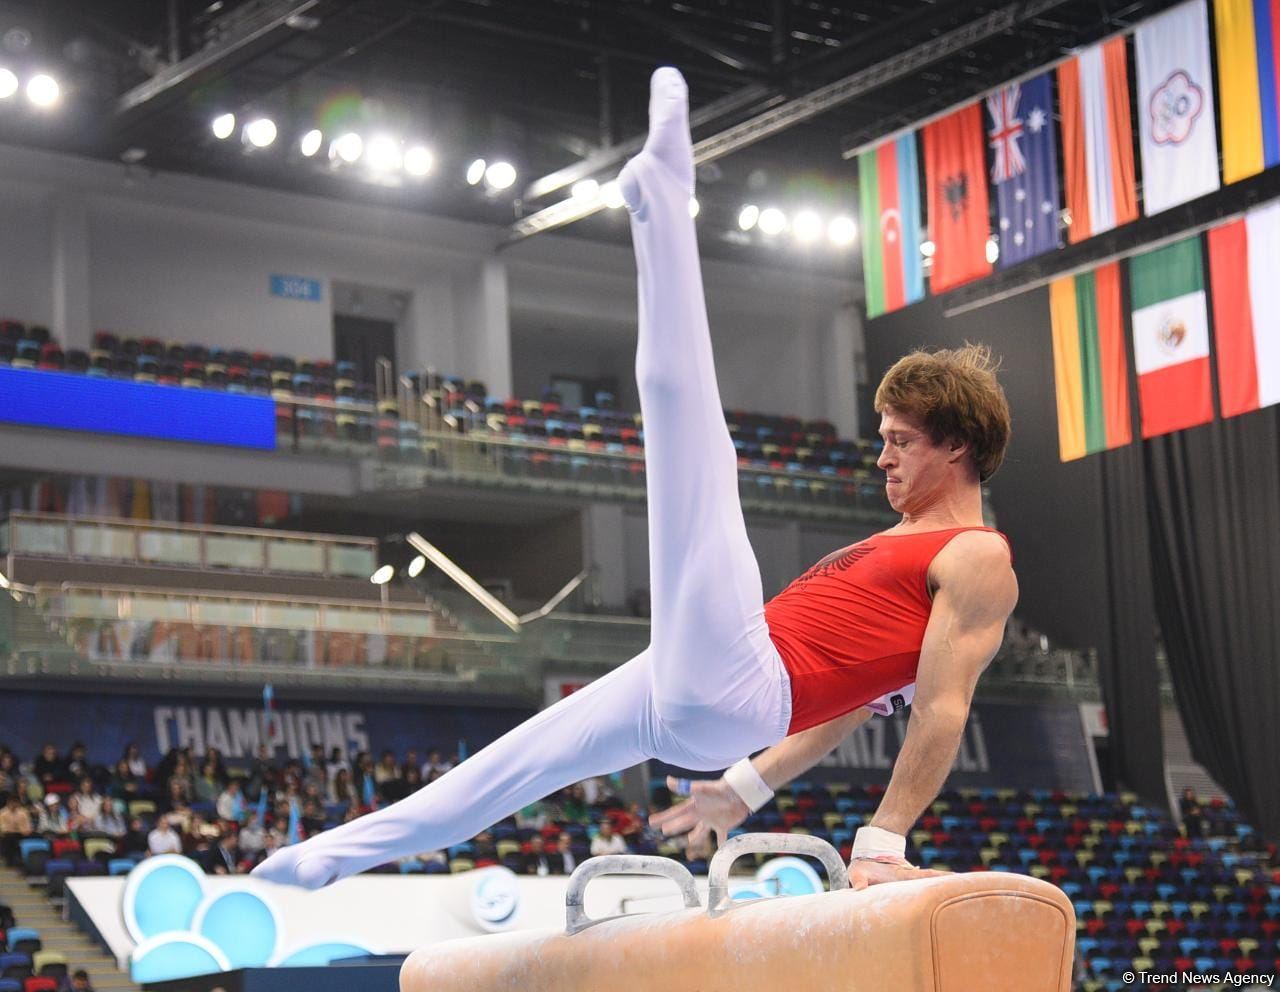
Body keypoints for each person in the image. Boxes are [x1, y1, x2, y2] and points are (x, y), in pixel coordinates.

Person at [253, 67, 1015, 892]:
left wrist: (882, 842)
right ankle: (319, 859)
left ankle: (662, 200)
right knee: (510, 768)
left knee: (696, 446)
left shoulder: (977, 559)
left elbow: (941, 709)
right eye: (882, 439)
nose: (882, 456)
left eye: (901, 441)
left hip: (743, 686)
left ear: (959, 446)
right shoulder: (896, 543)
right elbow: (846, 713)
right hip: (701, 695)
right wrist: (745, 787)